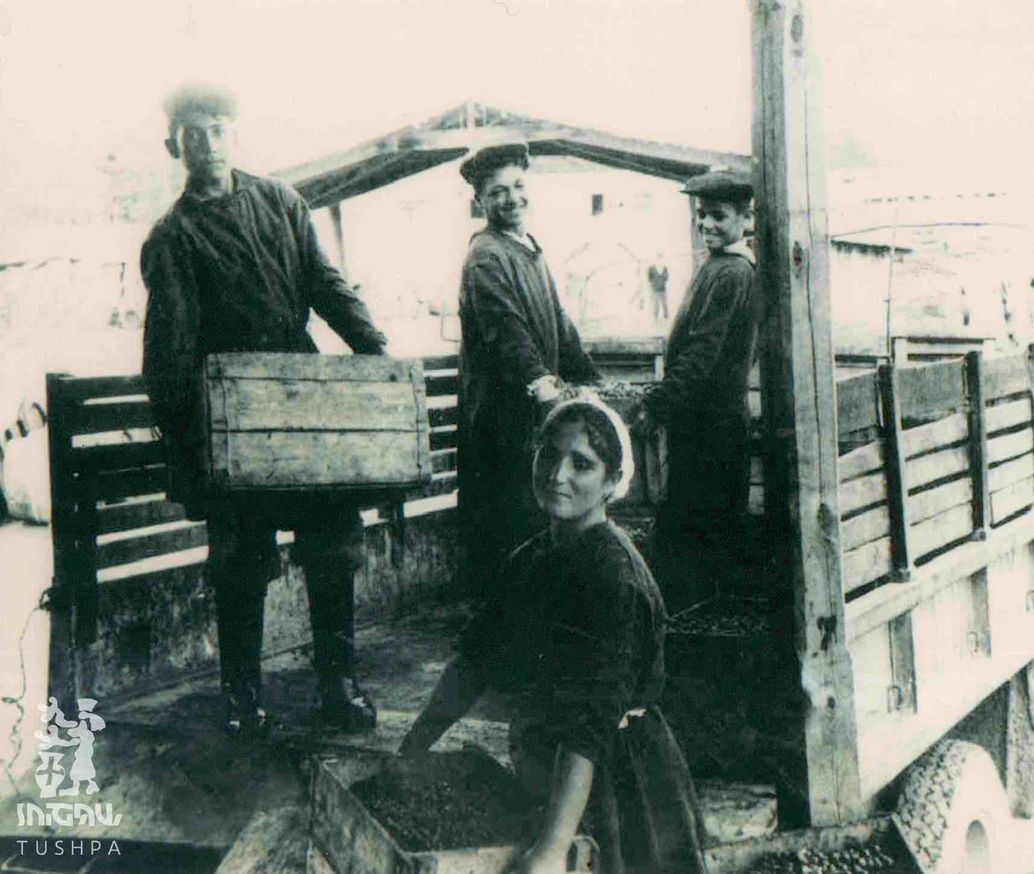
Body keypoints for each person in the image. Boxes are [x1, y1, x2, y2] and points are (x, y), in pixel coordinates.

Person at [141, 84, 387, 737]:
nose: (209, 143)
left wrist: (376, 352)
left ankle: (338, 683)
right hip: (232, 422)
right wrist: (194, 436)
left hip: (304, 407)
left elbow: (325, 285)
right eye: (194, 133)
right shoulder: (171, 238)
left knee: (334, 542)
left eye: (219, 128)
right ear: (175, 145)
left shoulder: (282, 203)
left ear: (235, 132)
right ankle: (243, 696)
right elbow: (171, 351)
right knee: (241, 560)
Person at [400, 399, 707, 874]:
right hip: (549, 761)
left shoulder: (614, 580)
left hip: (617, 775)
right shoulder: (533, 557)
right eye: (548, 455)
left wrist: (549, 851)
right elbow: (473, 661)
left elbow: (588, 727)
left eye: (582, 463)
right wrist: (413, 749)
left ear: (612, 481)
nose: (557, 474)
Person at [456, 143, 601, 593]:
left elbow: (559, 324)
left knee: (538, 508)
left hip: (536, 410)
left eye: (518, 186)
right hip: (502, 413)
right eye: (497, 192)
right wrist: (542, 384)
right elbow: (506, 329)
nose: (511, 199)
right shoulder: (486, 255)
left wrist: (589, 379)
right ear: (479, 201)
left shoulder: (530, 251)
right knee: (510, 515)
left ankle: (534, 611)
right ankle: (504, 621)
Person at [632, 170, 761, 607]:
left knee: (696, 528)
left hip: (712, 427)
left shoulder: (732, 273)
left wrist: (657, 404)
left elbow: (703, 353)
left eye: (719, 217)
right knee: (700, 527)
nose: (706, 225)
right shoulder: (719, 267)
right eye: (702, 216)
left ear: (747, 217)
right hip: (706, 422)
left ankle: (689, 623)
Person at [648, 255, 670, 320]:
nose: (659, 260)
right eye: (658, 258)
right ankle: (655, 318)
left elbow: (666, 278)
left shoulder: (664, 268)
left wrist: (663, 276)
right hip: (655, 289)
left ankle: (666, 317)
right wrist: (654, 283)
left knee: (664, 304)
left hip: (663, 289)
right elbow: (649, 279)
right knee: (656, 305)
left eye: (660, 258)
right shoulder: (651, 268)